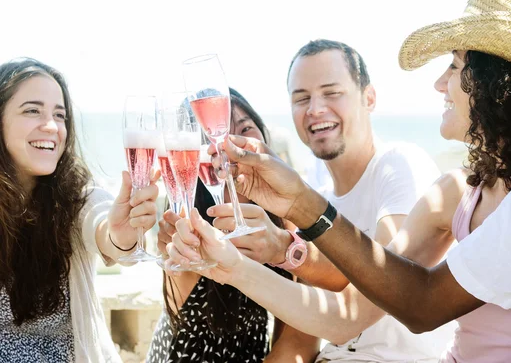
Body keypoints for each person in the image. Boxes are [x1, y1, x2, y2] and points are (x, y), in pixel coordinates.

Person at [172, 0, 511, 362]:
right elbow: (355, 311)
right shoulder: (477, 191)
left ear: (498, 84)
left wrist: (291, 231)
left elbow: (401, 303)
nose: (438, 83)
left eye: (454, 64)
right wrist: (258, 251)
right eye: (300, 97)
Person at [169, 40, 456, 362]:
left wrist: (279, 249)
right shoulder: (317, 199)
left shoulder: (399, 165)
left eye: (332, 92)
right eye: (302, 98)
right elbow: (312, 318)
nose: (315, 108)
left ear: (369, 98)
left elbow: (360, 303)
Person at [0, 58, 160, 362]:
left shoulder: (75, 196)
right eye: (32, 110)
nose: (51, 126)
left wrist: (120, 234)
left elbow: (102, 226)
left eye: (59, 115)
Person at [147, 88, 320, 363]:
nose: (232, 143)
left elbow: (299, 337)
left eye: (246, 127)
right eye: (214, 135)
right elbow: (173, 255)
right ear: (194, 152)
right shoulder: (189, 227)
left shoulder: (284, 221)